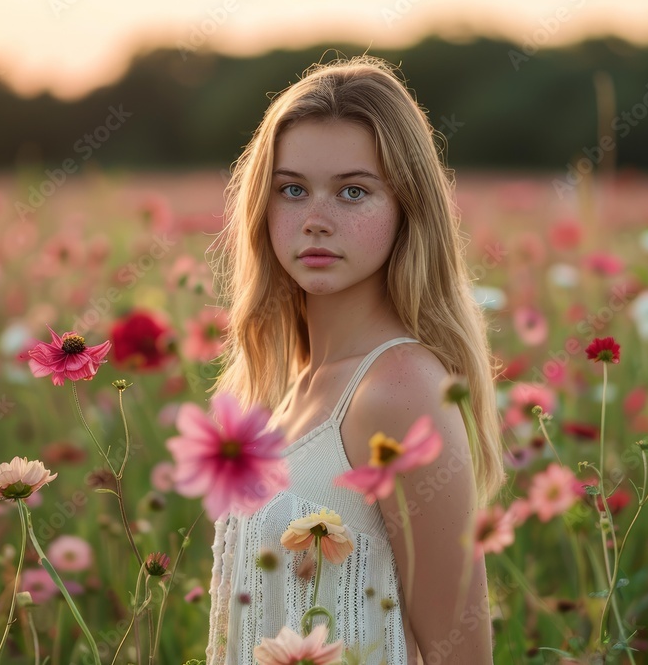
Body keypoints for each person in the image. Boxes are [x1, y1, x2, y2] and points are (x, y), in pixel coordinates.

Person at [205, 55, 505, 664]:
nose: (316, 221)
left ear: (407, 209)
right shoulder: (291, 387)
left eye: (353, 192)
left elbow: (461, 654)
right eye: (292, 190)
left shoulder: (400, 389)